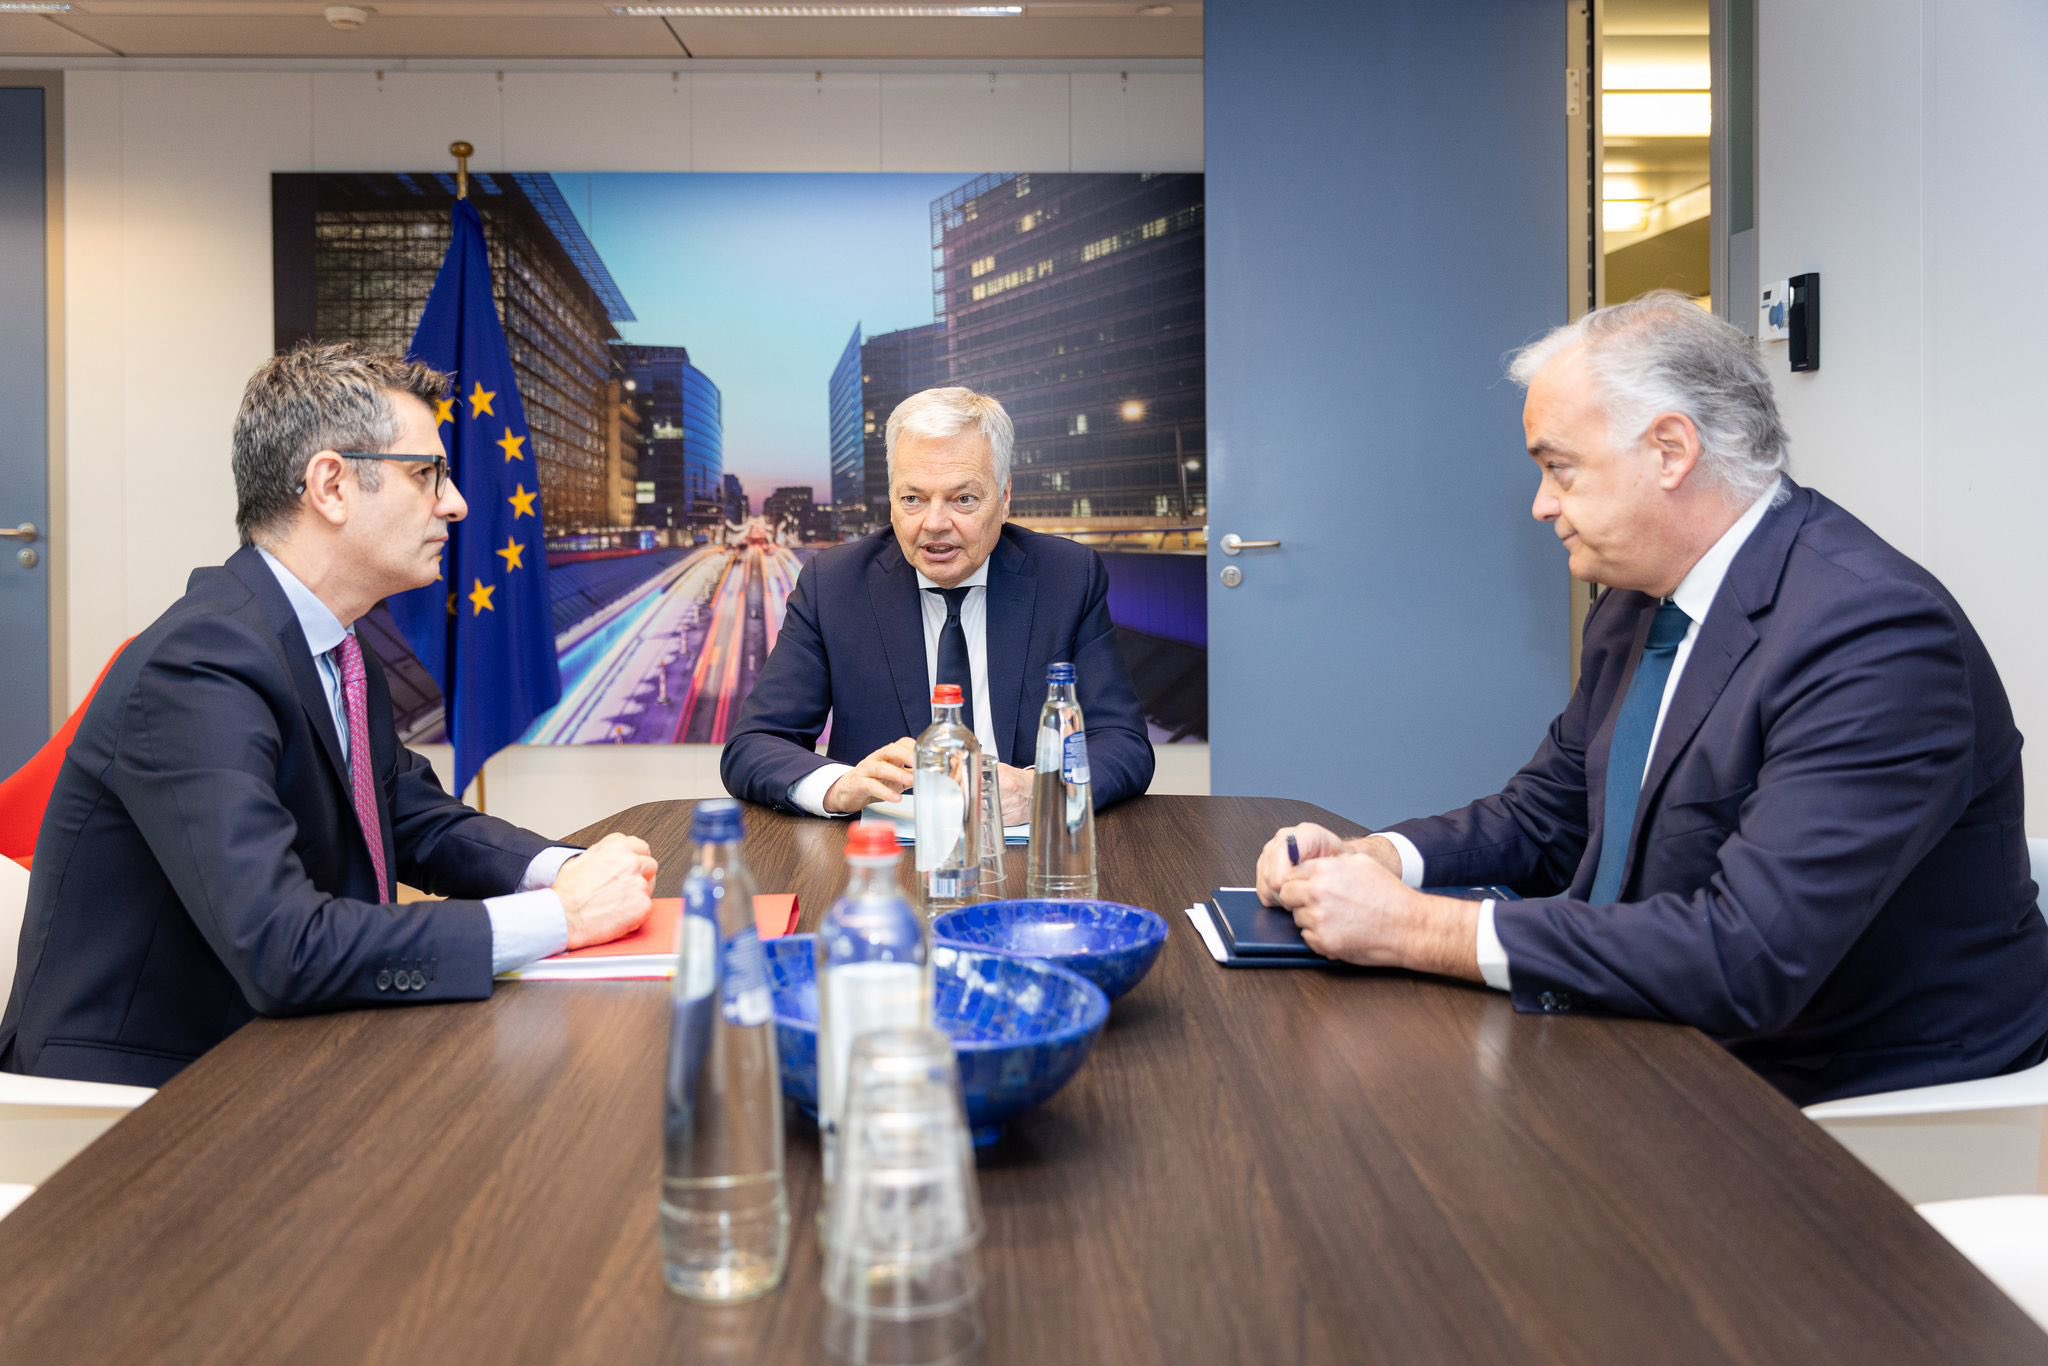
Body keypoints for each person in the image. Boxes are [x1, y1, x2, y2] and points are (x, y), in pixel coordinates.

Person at [1255, 292, 2048, 1106]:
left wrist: (1419, 927)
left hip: (1840, 1086)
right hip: (1659, 1028)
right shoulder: (1637, 602)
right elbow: (1548, 816)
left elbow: (1749, 961)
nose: (1542, 505)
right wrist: (1380, 859)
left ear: (1670, 450)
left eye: (1558, 467)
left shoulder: (1872, 635)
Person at [0, 343, 657, 1087]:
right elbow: (281, 946)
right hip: (143, 1108)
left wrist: (572, 872)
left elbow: (417, 821)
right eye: (426, 475)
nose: (457, 503)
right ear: (332, 486)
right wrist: (561, 918)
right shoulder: (197, 664)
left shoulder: (331, 645)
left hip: (282, 1056)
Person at [720, 386, 1154, 821]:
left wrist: (1042, 790)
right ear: (891, 500)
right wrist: (839, 785)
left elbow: (1122, 742)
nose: (934, 524)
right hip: (882, 858)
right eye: (913, 499)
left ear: (1004, 499)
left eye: (963, 499)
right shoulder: (833, 584)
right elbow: (754, 744)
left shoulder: (1067, 577)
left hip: (1026, 850)